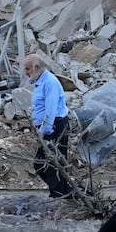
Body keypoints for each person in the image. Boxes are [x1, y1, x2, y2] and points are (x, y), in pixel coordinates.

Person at [23, 54, 74, 198]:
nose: (26, 73)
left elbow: (50, 110)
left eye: (28, 69)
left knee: (49, 163)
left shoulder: (49, 82)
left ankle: (61, 193)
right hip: (50, 126)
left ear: (37, 67)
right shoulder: (41, 80)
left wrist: (45, 131)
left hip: (55, 126)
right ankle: (61, 192)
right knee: (49, 163)